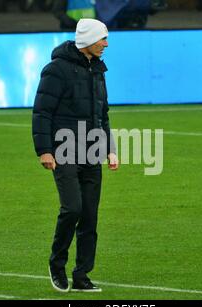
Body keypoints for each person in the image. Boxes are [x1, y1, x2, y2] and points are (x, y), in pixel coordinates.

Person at [32, 18, 118, 292]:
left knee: (90, 216)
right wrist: (44, 150)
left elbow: (102, 114)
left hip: (92, 151)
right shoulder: (56, 70)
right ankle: (57, 264)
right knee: (73, 209)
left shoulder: (98, 70)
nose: (106, 44)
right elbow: (42, 111)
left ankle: (82, 275)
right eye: (102, 39)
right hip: (64, 150)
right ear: (88, 41)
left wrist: (109, 149)